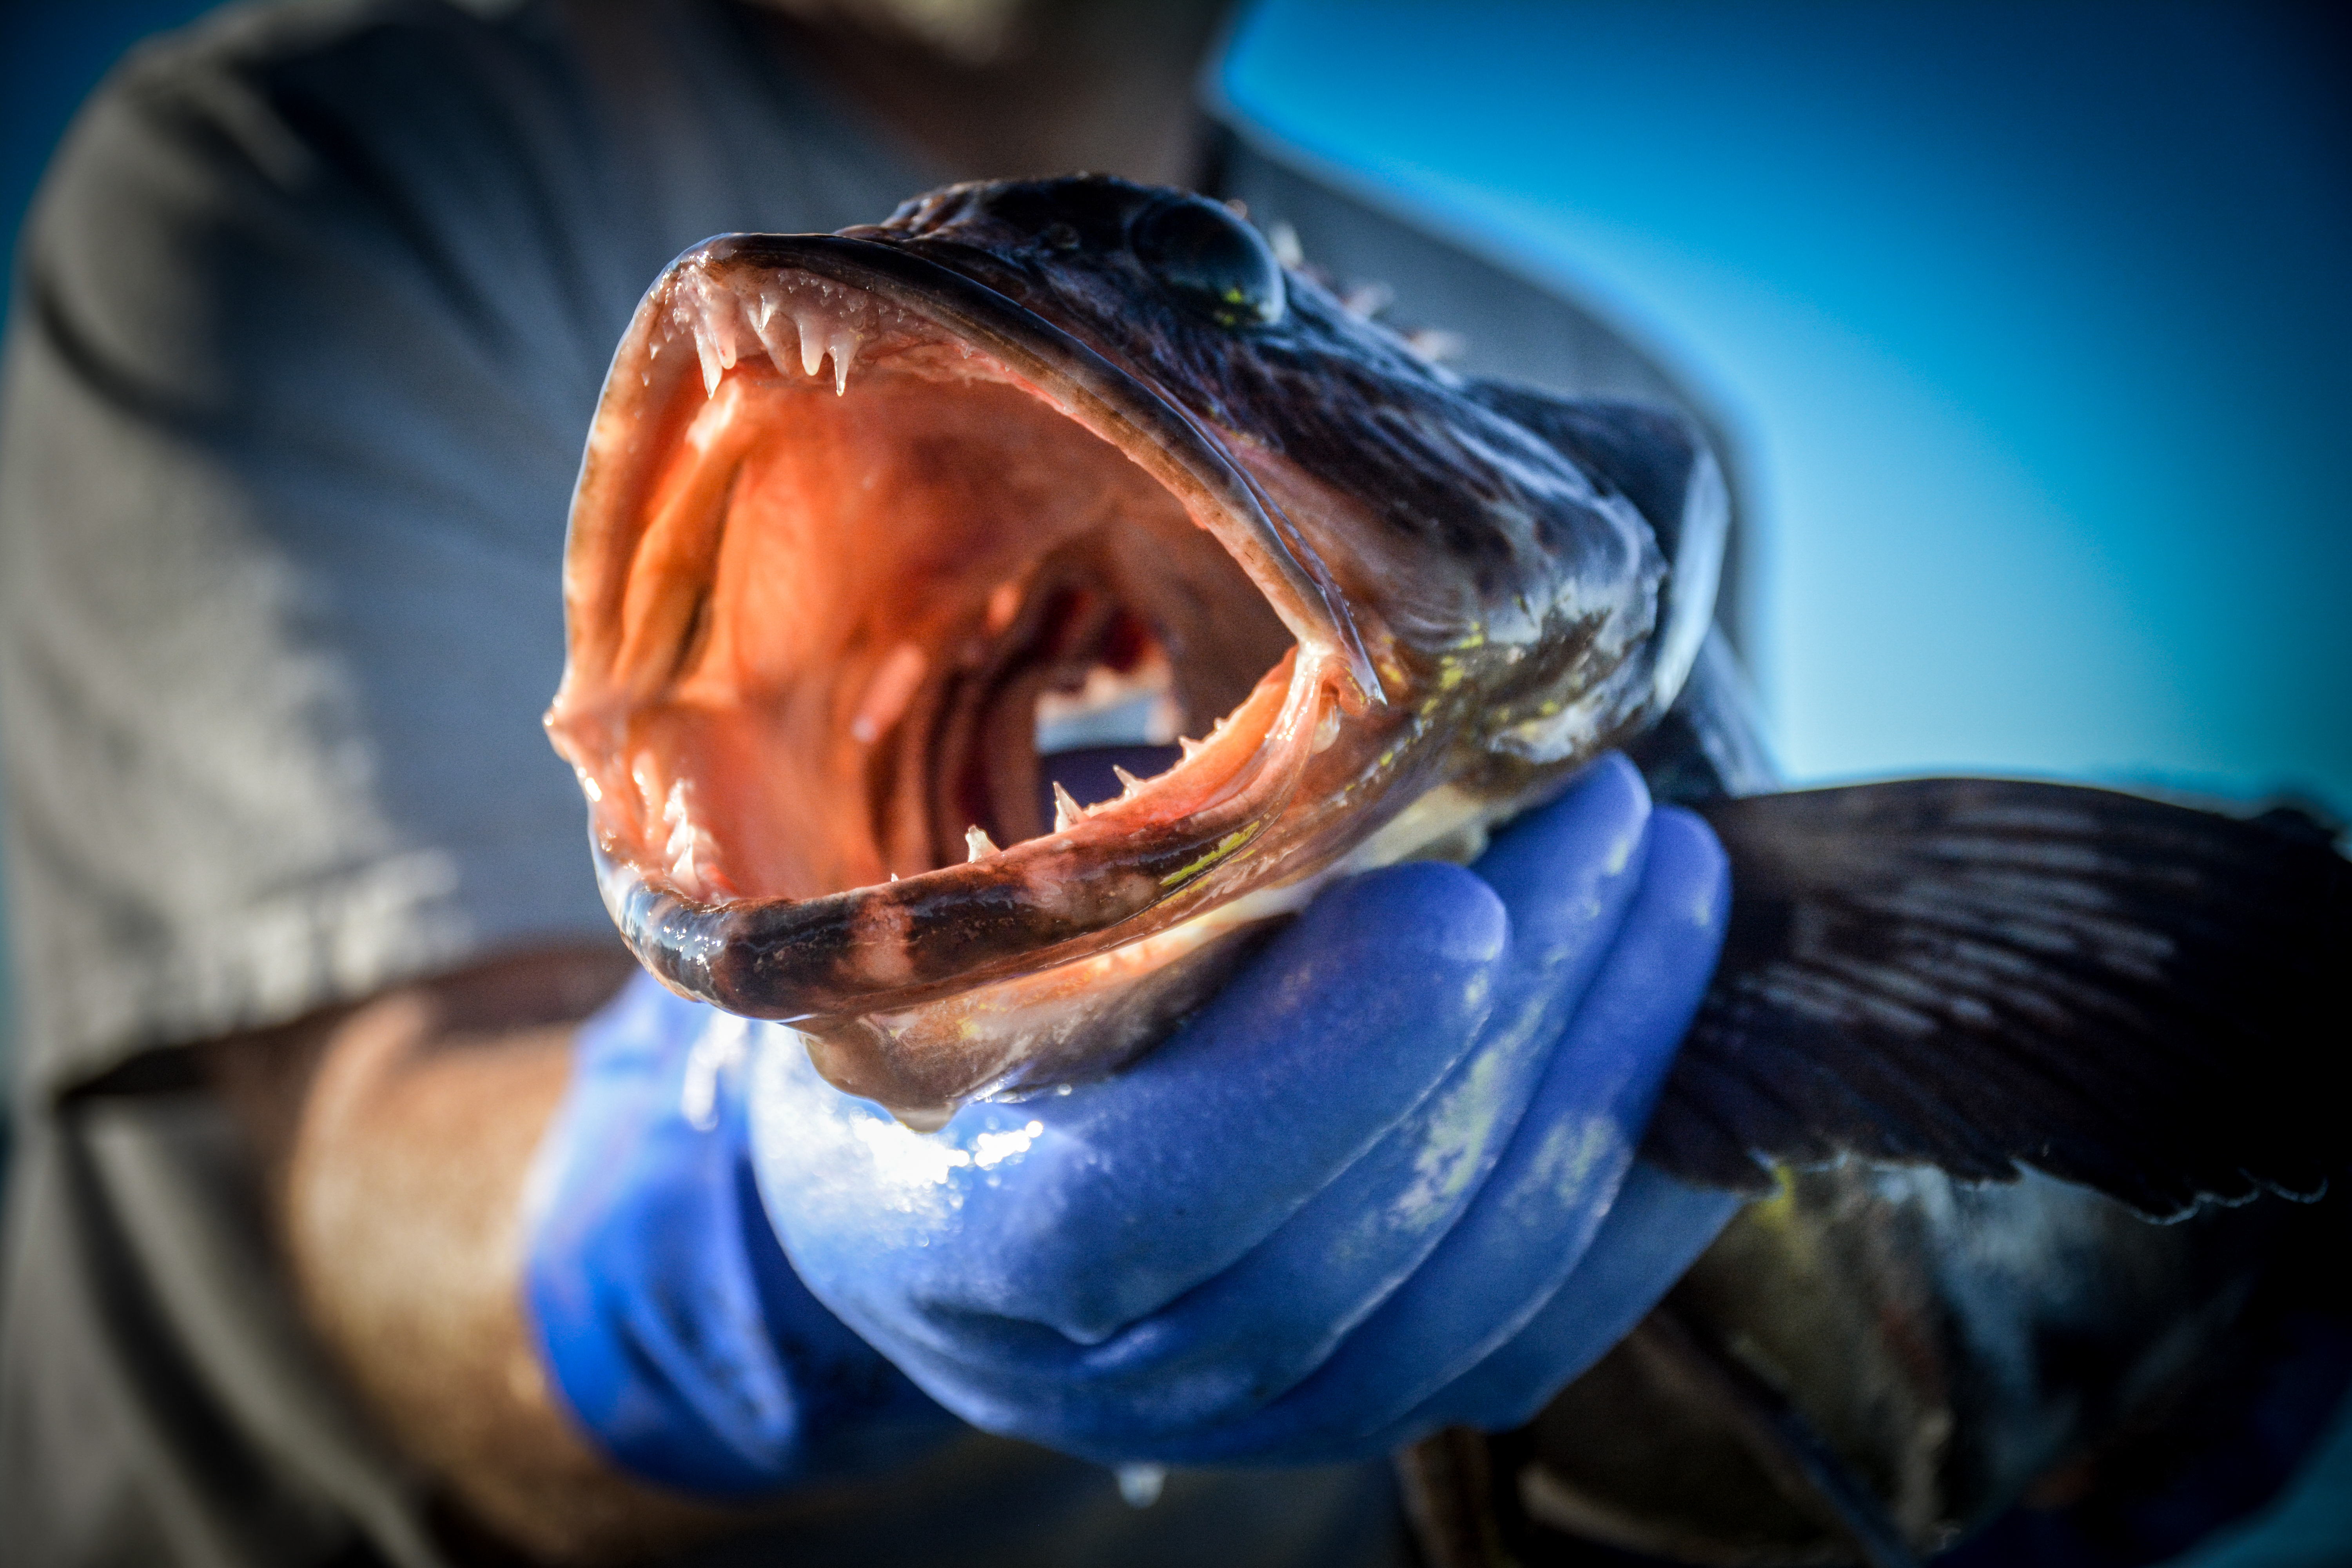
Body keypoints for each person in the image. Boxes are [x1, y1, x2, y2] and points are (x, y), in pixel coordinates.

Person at [0, 2, 1742, 1563]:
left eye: (1210, 289)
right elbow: (368, 1138)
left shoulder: (1611, 402)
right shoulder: (322, 178)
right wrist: (729, 1247)